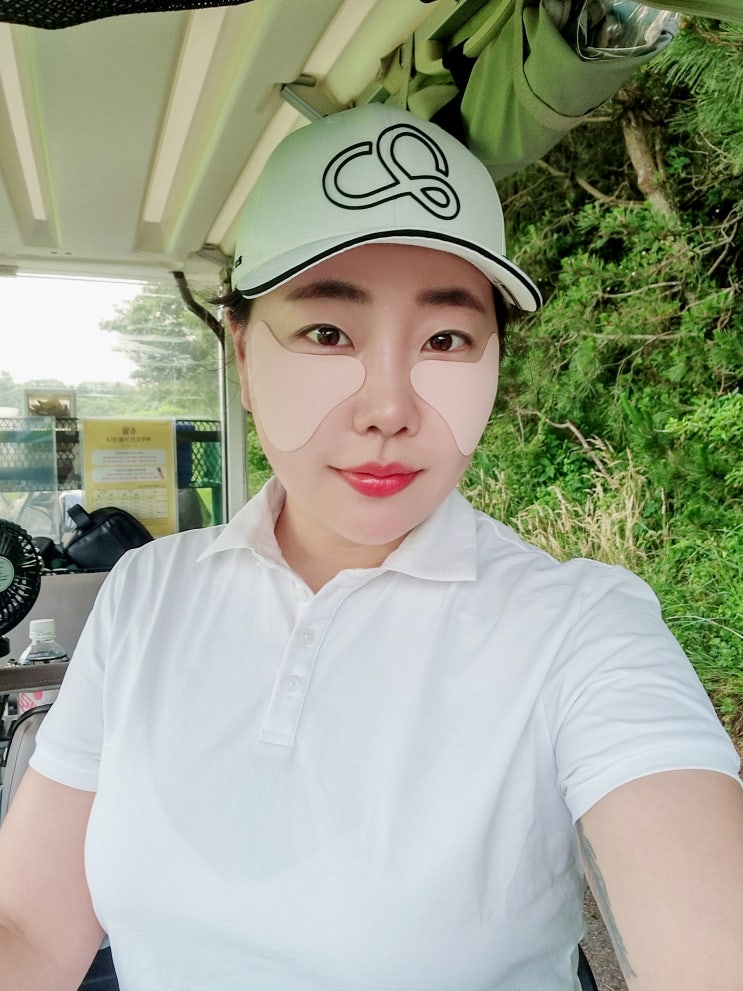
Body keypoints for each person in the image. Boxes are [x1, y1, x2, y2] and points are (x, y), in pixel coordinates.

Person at [0, 103, 741, 991]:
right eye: (327, 333)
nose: (389, 407)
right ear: (243, 354)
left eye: (445, 338)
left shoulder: (581, 626)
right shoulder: (147, 593)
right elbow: (30, 929)